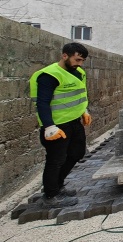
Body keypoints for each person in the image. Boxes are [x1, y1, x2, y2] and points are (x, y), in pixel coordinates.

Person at [29, 43, 91, 208]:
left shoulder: (79, 73)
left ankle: (58, 185)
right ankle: (50, 195)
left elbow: (79, 95)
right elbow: (42, 103)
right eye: (77, 59)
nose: (80, 63)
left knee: (77, 153)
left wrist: (84, 111)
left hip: (74, 121)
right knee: (55, 160)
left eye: (82, 60)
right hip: (57, 125)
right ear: (65, 55)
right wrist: (49, 126)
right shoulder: (49, 75)